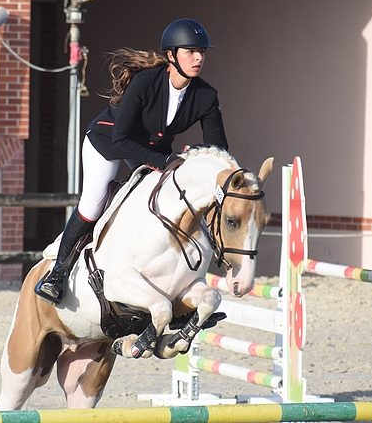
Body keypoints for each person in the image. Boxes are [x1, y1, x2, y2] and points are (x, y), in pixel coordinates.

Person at [34, 18, 229, 304]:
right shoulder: (145, 82)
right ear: (171, 56)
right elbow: (121, 140)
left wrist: (192, 157)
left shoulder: (206, 95)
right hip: (107, 142)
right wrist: (165, 161)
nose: (198, 57)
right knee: (94, 202)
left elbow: (218, 147)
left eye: (202, 51)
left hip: (152, 149)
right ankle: (58, 273)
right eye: (190, 51)